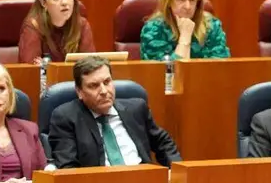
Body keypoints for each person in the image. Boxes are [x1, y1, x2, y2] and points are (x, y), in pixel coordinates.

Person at [48, 56, 180, 168]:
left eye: (107, 82)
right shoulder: (65, 118)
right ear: (79, 92)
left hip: (143, 181)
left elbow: (163, 143)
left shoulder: (136, 108)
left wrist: (177, 173)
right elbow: (68, 168)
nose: (104, 91)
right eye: (94, 86)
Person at [140, 0, 231, 61]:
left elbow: (220, 66)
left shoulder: (211, 26)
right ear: (169, 1)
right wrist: (185, 37)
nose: (187, 7)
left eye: (192, 0)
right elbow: (165, 70)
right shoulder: (154, 30)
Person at [17, 0, 96, 64]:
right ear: (43, 3)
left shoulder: (81, 25)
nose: (64, 2)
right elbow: (31, 69)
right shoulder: (34, 26)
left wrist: (48, 66)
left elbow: (90, 65)